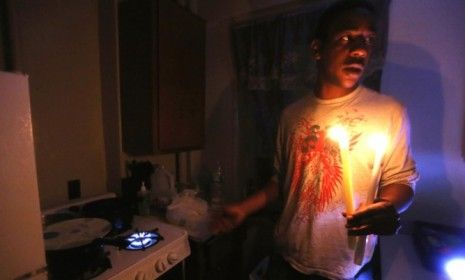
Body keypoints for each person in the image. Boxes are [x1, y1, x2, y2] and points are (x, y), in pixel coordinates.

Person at [211, 0, 419, 279]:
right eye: (346, 38)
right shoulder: (291, 116)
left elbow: (401, 181)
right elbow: (282, 182)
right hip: (286, 258)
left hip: (347, 265)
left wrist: (388, 206)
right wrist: (243, 209)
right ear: (317, 49)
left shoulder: (389, 113)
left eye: (368, 40)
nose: (360, 50)